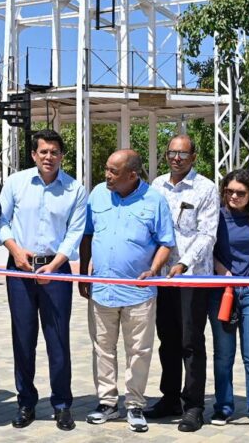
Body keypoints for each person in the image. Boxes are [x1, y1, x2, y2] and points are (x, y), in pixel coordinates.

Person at [78, 149, 174, 433]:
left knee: (139, 351)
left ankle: (134, 405)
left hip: (138, 293)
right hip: (102, 290)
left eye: (113, 171)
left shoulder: (154, 200)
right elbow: (87, 234)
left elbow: (166, 242)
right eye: (106, 169)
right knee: (102, 349)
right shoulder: (97, 194)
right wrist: (85, 273)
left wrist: (154, 270)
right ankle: (107, 403)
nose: (107, 175)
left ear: (132, 175)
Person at [0, 129, 87, 431]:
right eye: (43, 151)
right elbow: (0, 220)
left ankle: (61, 404)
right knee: (23, 341)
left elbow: (75, 232)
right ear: (34, 155)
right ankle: (26, 403)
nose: (49, 156)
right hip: (20, 269)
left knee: (58, 340)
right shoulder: (16, 183)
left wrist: (57, 264)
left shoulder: (75, 189)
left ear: (62, 156)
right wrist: (14, 250)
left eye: (55, 152)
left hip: (57, 270)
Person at [147, 134, 218, 432]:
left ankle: (194, 406)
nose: (176, 158)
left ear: (194, 157)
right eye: (171, 153)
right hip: (162, 277)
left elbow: (207, 234)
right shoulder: (156, 185)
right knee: (168, 340)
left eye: (182, 154)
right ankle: (170, 398)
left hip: (192, 275)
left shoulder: (207, 188)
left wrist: (183, 263)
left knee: (191, 341)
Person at [207, 169, 249, 431]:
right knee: (223, 355)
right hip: (222, 292)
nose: (233, 196)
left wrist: (248, 271)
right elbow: (208, 246)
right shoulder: (216, 216)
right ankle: (223, 407)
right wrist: (225, 272)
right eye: (229, 191)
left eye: (240, 192)